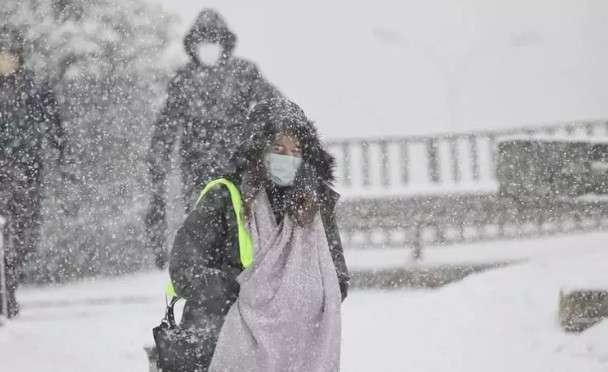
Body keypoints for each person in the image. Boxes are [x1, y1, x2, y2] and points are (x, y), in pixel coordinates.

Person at [169, 98, 349, 371]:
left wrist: (294, 299)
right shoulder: (224, 197)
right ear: (258, 150)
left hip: (296, 350)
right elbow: (184, 267)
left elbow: (337, 280)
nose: (286, 158)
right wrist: (236, 293)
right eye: (277, 148)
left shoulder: (314, 208)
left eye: (295, 150)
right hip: (223, 340)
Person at [146, 9, 280, 268]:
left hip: (238, 168)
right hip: (197, 172)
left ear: (223, 44)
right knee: (204, 234)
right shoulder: (184, 80)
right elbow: (166, 126)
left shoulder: (243, 73)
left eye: (213, 42)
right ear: (193, 46)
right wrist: (157, 161)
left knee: (240, 232)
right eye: (202, 43)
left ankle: (241, 280)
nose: (208, 48)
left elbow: (273, 104)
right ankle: (210, 285)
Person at [0, 25, 65, 318]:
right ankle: (5, 292)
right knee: (7, 233)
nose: (6, 60)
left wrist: (60, 149)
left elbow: (53, 123)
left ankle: (10, 283)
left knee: (23, 234)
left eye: (10, 55)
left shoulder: (34, 87)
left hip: (27, 167)